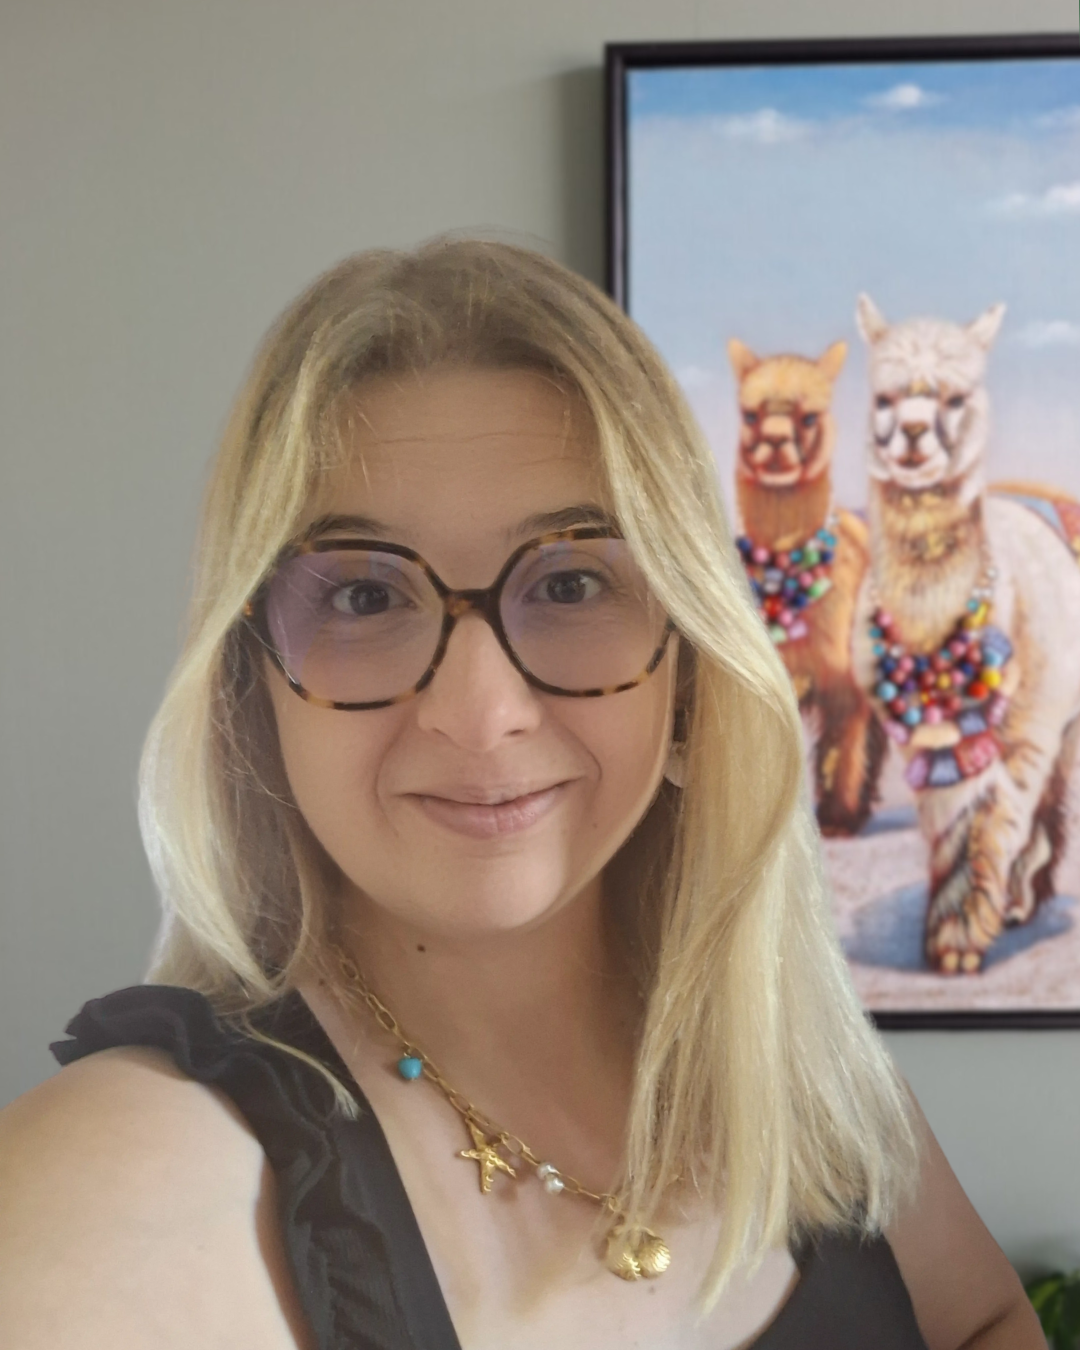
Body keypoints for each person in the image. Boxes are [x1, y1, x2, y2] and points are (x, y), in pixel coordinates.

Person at [0, 239, 1042, 1349]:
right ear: (253, 688)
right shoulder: (125, 1178)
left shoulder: (801, 1074)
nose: (479, 709)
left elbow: (979, 1317)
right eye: (362, 593)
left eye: (573, 581)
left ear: (689, 670)